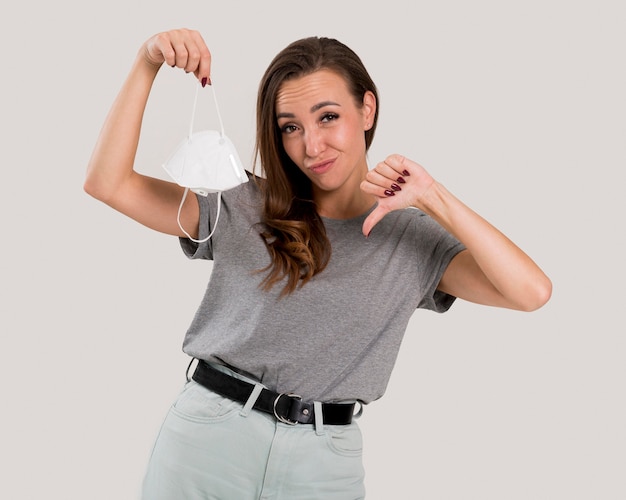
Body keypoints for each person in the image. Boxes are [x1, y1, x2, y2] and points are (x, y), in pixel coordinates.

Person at [84, 28, 551, 500]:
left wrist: (433, 197)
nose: (311, 145)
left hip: (323, 464)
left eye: (328, 117)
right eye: (290, 126)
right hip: (210, 442)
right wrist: (147, 62)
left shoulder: (412, 240)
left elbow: (531, 292)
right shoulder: (244, 203)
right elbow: (109, 184)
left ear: (367, 109)